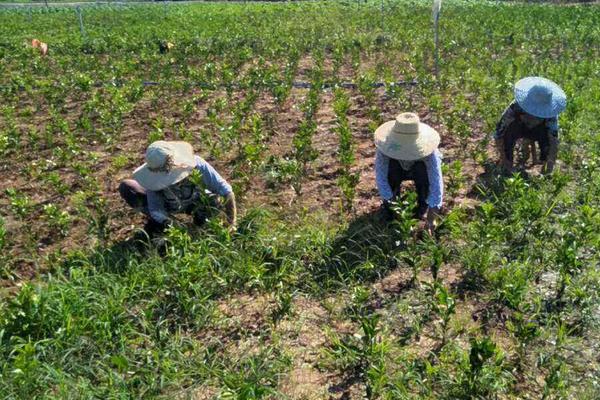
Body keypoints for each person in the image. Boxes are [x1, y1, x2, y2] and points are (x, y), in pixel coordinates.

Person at [119, 141, 237, 236]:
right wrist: (177, 227)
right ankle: (159, 228)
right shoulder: (152, 181)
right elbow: (156, 209)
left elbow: (226, 191)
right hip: (170, 205)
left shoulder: (197, 165)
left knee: (211, 207)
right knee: (128, 187)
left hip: (197, 200)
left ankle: (200, 219)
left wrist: (231, 223)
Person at [374, 112, 443, 234]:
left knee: (422, 171)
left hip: (417, 170)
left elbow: (436, 184)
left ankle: (422, 207)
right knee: (391, 170)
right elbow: (381, 179)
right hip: (397, 169)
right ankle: (391, 208)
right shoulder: (385, 149)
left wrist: (431, 219)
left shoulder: (430, 153)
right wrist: (399, 215)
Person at [494, 77, 566, 174]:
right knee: (507, 135)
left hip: (538, 131)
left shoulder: (550, 115)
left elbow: (553, 140)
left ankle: (542, 164)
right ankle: (508, 161)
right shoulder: (516, 107)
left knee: (547, 142)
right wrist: (505, 161)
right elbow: (499, 134)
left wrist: (549, 167)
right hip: (518, 128)